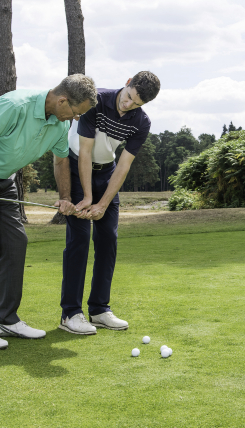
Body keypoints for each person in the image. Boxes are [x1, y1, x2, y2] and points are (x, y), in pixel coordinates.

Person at [0, 74, 97, 350]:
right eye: (76, 112)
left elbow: (61, 160)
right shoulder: (15, 105)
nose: (76, 118)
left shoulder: (59, 124)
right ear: (62, 100)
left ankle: (6, 319)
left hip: (3, 179)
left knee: (16, 241)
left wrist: (65, 198)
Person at [58, 71, 160, 334]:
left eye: (136, 104)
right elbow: (85, 153)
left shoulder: (141, 122)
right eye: (128, 97)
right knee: (79, 240)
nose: (128, 105)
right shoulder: (97, 101)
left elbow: (124, 165)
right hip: (78, 169)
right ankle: (70, 313)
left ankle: (100, 310)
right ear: (126, 83)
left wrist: (103, 203)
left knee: (108, 242)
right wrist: (89, 198)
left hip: (107, 173)